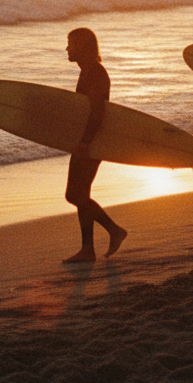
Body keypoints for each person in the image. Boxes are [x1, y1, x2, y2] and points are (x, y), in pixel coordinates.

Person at [62, 27, 128, 263]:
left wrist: (85, 142)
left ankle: (114, 231)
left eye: (71, 43)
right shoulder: (87, 71)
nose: (67, 48)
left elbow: (98, 112)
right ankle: (87, 249)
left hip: (92, 141)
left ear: (83, 46)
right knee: (80, 194)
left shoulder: (96, 74)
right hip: (87, 140)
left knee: (74, 194)